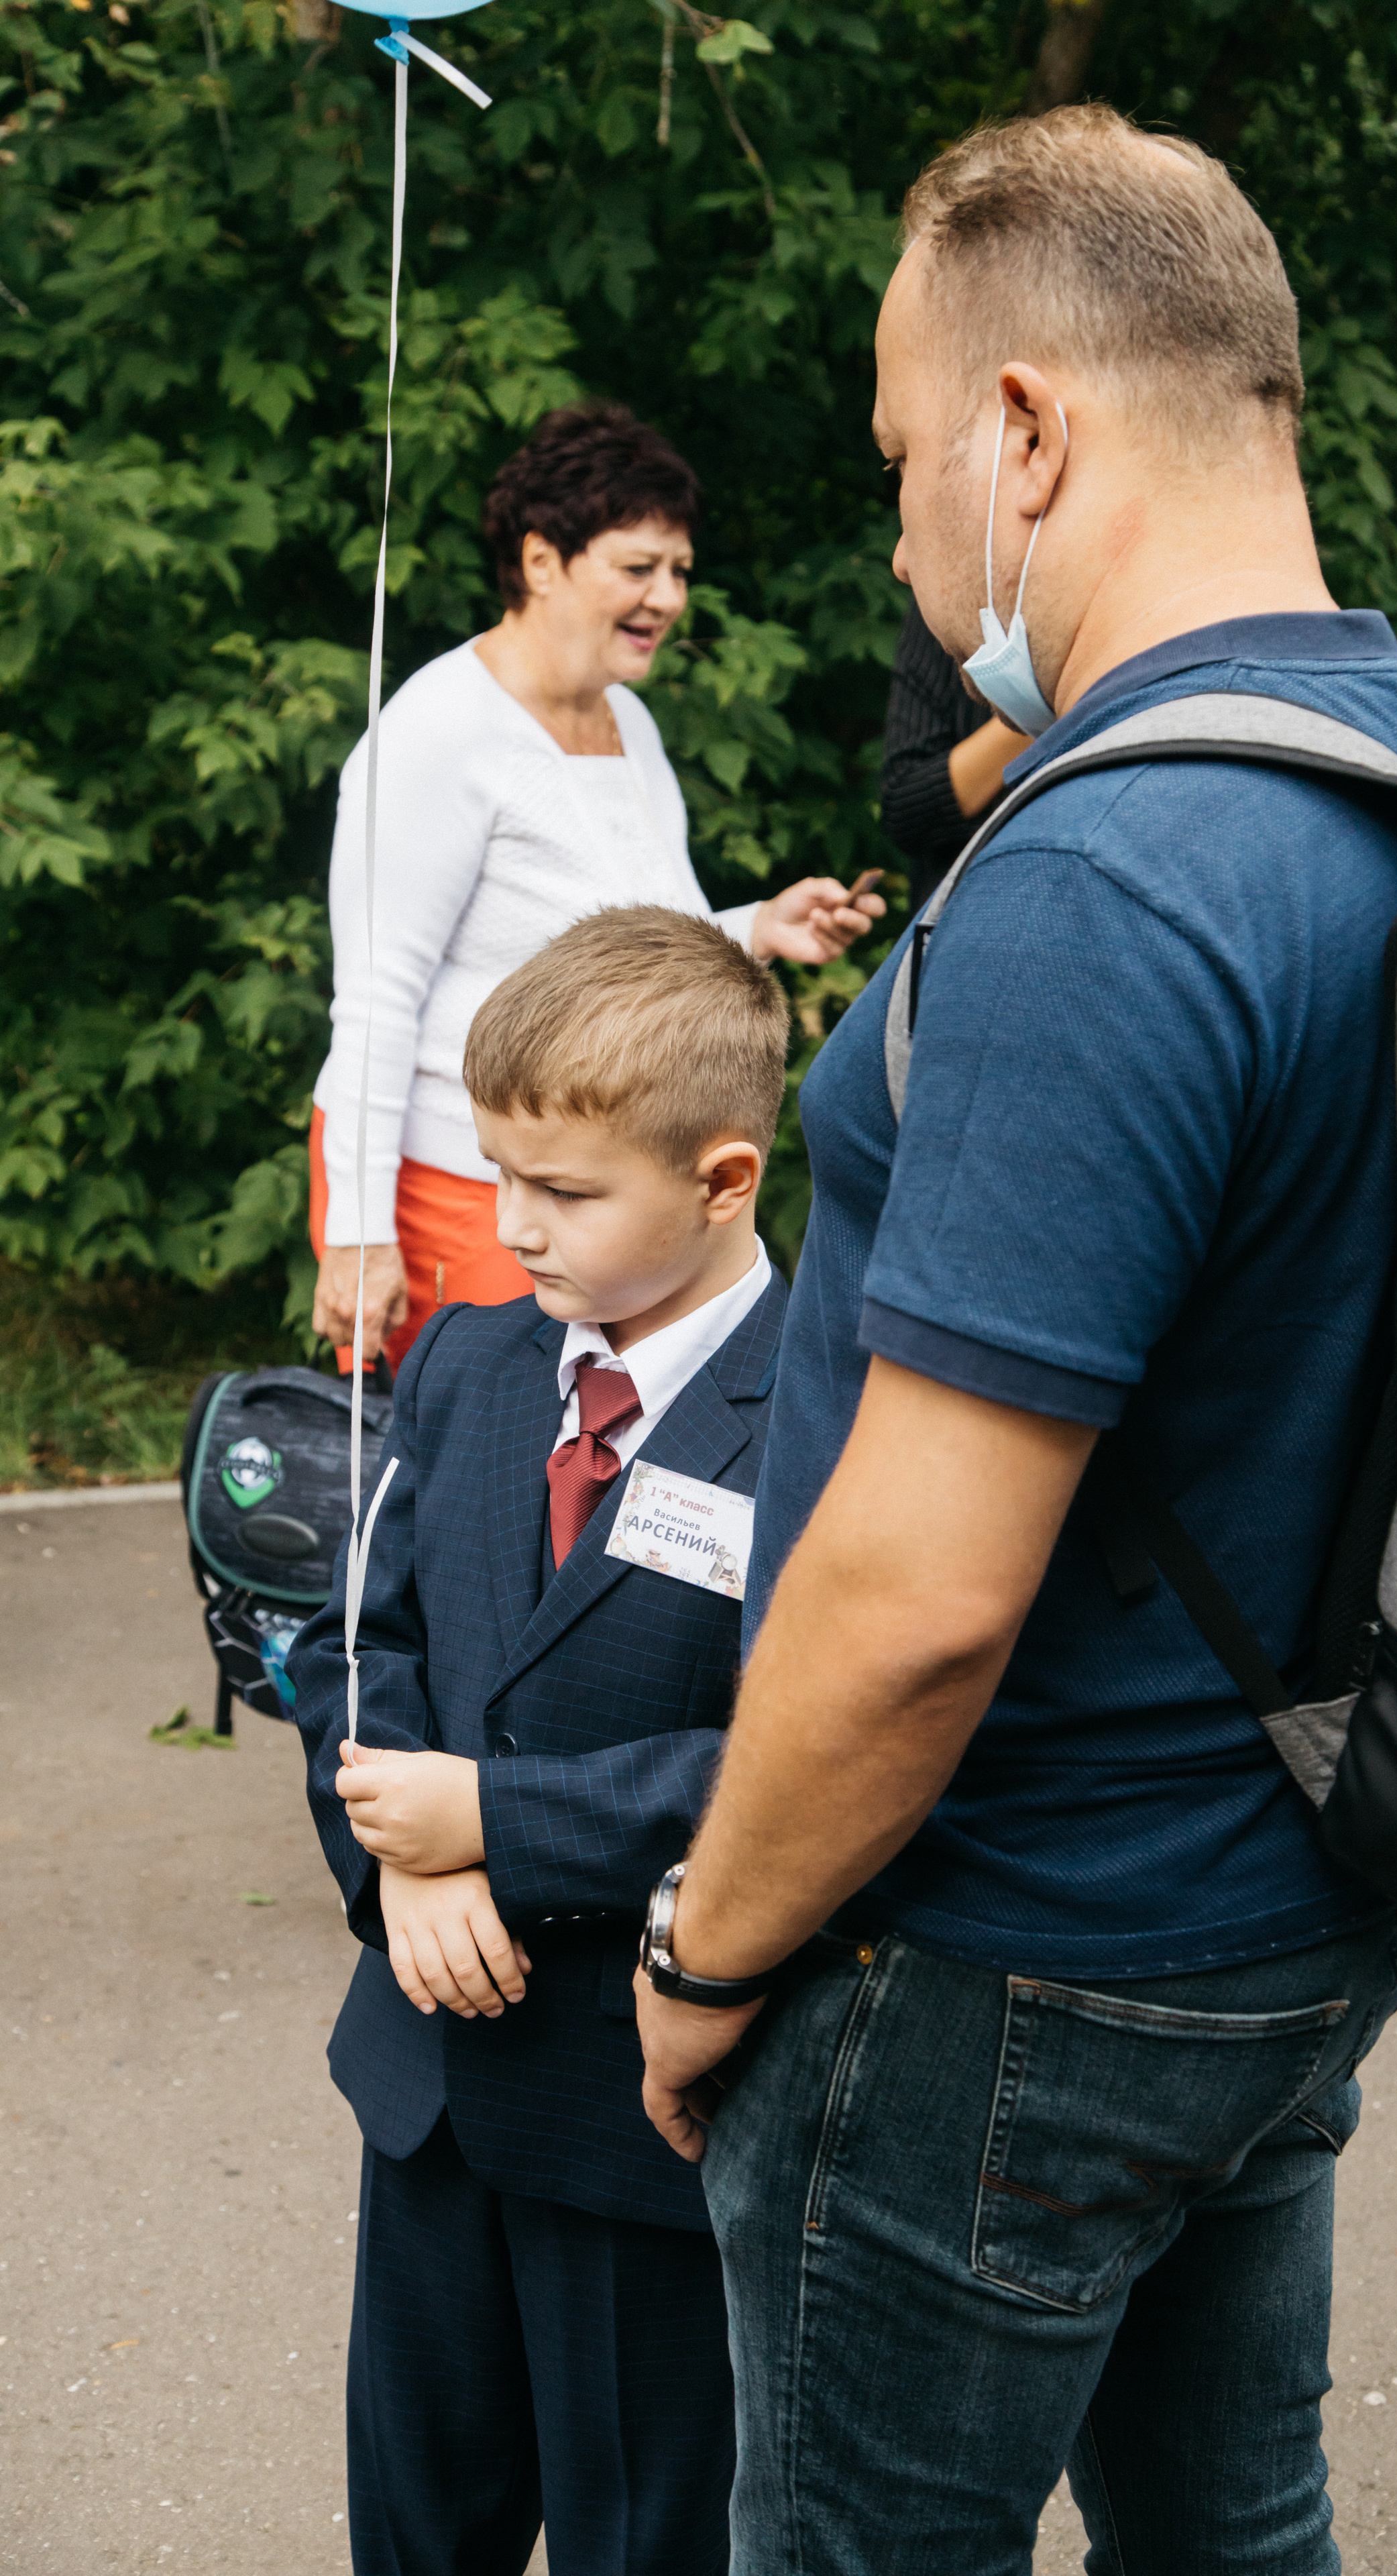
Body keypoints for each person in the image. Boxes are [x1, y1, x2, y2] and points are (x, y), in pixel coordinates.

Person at [634, 107, 1397, 2575]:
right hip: (1303, 1895)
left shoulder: (1104, 872)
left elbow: (915, 1602)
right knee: (1236, 2526)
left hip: (1009, 1960)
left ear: (1021, 432)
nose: (906, 547)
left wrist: (706, 1947)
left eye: (905, 460)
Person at [288, 906, 790, 2576]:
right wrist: (403, 1872)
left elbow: (807, 1755)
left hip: (645, 2115)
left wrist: (494, 1820)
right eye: (495, 1173)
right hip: (428, 2080)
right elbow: (355, 1642)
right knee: (414, 2526)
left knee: (646, 2537)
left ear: (722, 1179)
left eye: (564, 1192)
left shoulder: (822, 1405)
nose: (511, 1227)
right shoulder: (472, 1355)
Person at [308, 398, 883, 1373]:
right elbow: (375, 1000)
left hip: (611, 1186)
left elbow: (628, 947)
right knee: (477, 1447)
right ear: (542, 561)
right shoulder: (437, 733)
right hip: (462, 1182)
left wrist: (757, 926)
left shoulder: (631, 723)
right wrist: (360, 1234)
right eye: (638, 567)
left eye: (680, 571)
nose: (668, 597)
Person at [879, 596, 1024, 908]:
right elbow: (905, 807)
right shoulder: (944, 594)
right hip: (965, 907)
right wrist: (1040, 705)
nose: (900, 571)